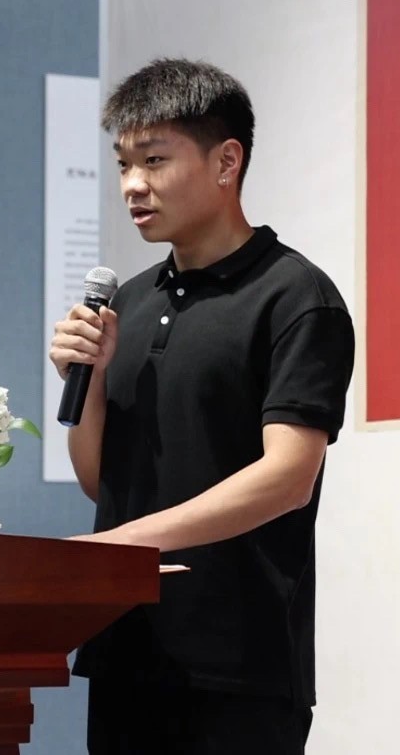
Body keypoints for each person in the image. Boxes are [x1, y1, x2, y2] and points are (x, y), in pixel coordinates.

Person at [47, 57, 355, 755]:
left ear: (226, 162)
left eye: (154, 160)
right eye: (124, 163)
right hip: (125, 649)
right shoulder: (128, 301)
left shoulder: (295, 297)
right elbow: (101, 481)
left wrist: (120, 545)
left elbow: (289, 476)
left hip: (238, 668)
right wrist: (89, 379)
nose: (133, 184)